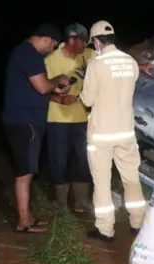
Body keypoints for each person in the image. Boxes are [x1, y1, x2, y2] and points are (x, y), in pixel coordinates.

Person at [79, 20, 146, 243]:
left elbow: (87, 100)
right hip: (126, 132)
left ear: (97, 41)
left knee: (102, 183)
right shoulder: (131, 62)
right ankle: (138, 223)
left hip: (101, 135)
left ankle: (105, 230)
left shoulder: (96, 64)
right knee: (132, 180)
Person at [2, 23, 72, 233]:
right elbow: (42, 86)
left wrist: (58, 97)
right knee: (25, 171)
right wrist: (58, 79)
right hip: (25, 122)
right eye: (52, 46)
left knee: (28, 170)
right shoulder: (29, 54)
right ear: (46, 40)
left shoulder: (25, 53)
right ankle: (23, 220)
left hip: (25, 120)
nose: (51, 50)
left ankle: (28, 216)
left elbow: (34, 91)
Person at [44, 23, 96, 212]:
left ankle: (81, 200)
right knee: (58, 160)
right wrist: (59, 98)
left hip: (83, 119)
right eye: (83, 42)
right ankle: (61, 203)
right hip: (57, 119)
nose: (86, 46)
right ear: (72, 41)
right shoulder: (50, 60)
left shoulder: (88, 56)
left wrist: (139, 66)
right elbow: (38, 90)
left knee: (86, 158)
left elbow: (109, 64)